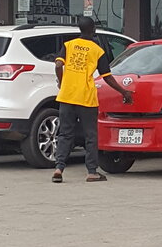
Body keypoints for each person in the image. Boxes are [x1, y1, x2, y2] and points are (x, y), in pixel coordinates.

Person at [52, 16, 132, 184]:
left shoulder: (68, 45)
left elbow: (59, 65)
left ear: (79, 29)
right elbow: (107, 77)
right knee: (90, 136)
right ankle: (91, 172)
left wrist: (62, 81)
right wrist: (123, 92)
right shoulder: (97, 50)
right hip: (86, 98)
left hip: (67, 96)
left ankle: (59, 168)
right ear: (93, 30)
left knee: (65, 134)